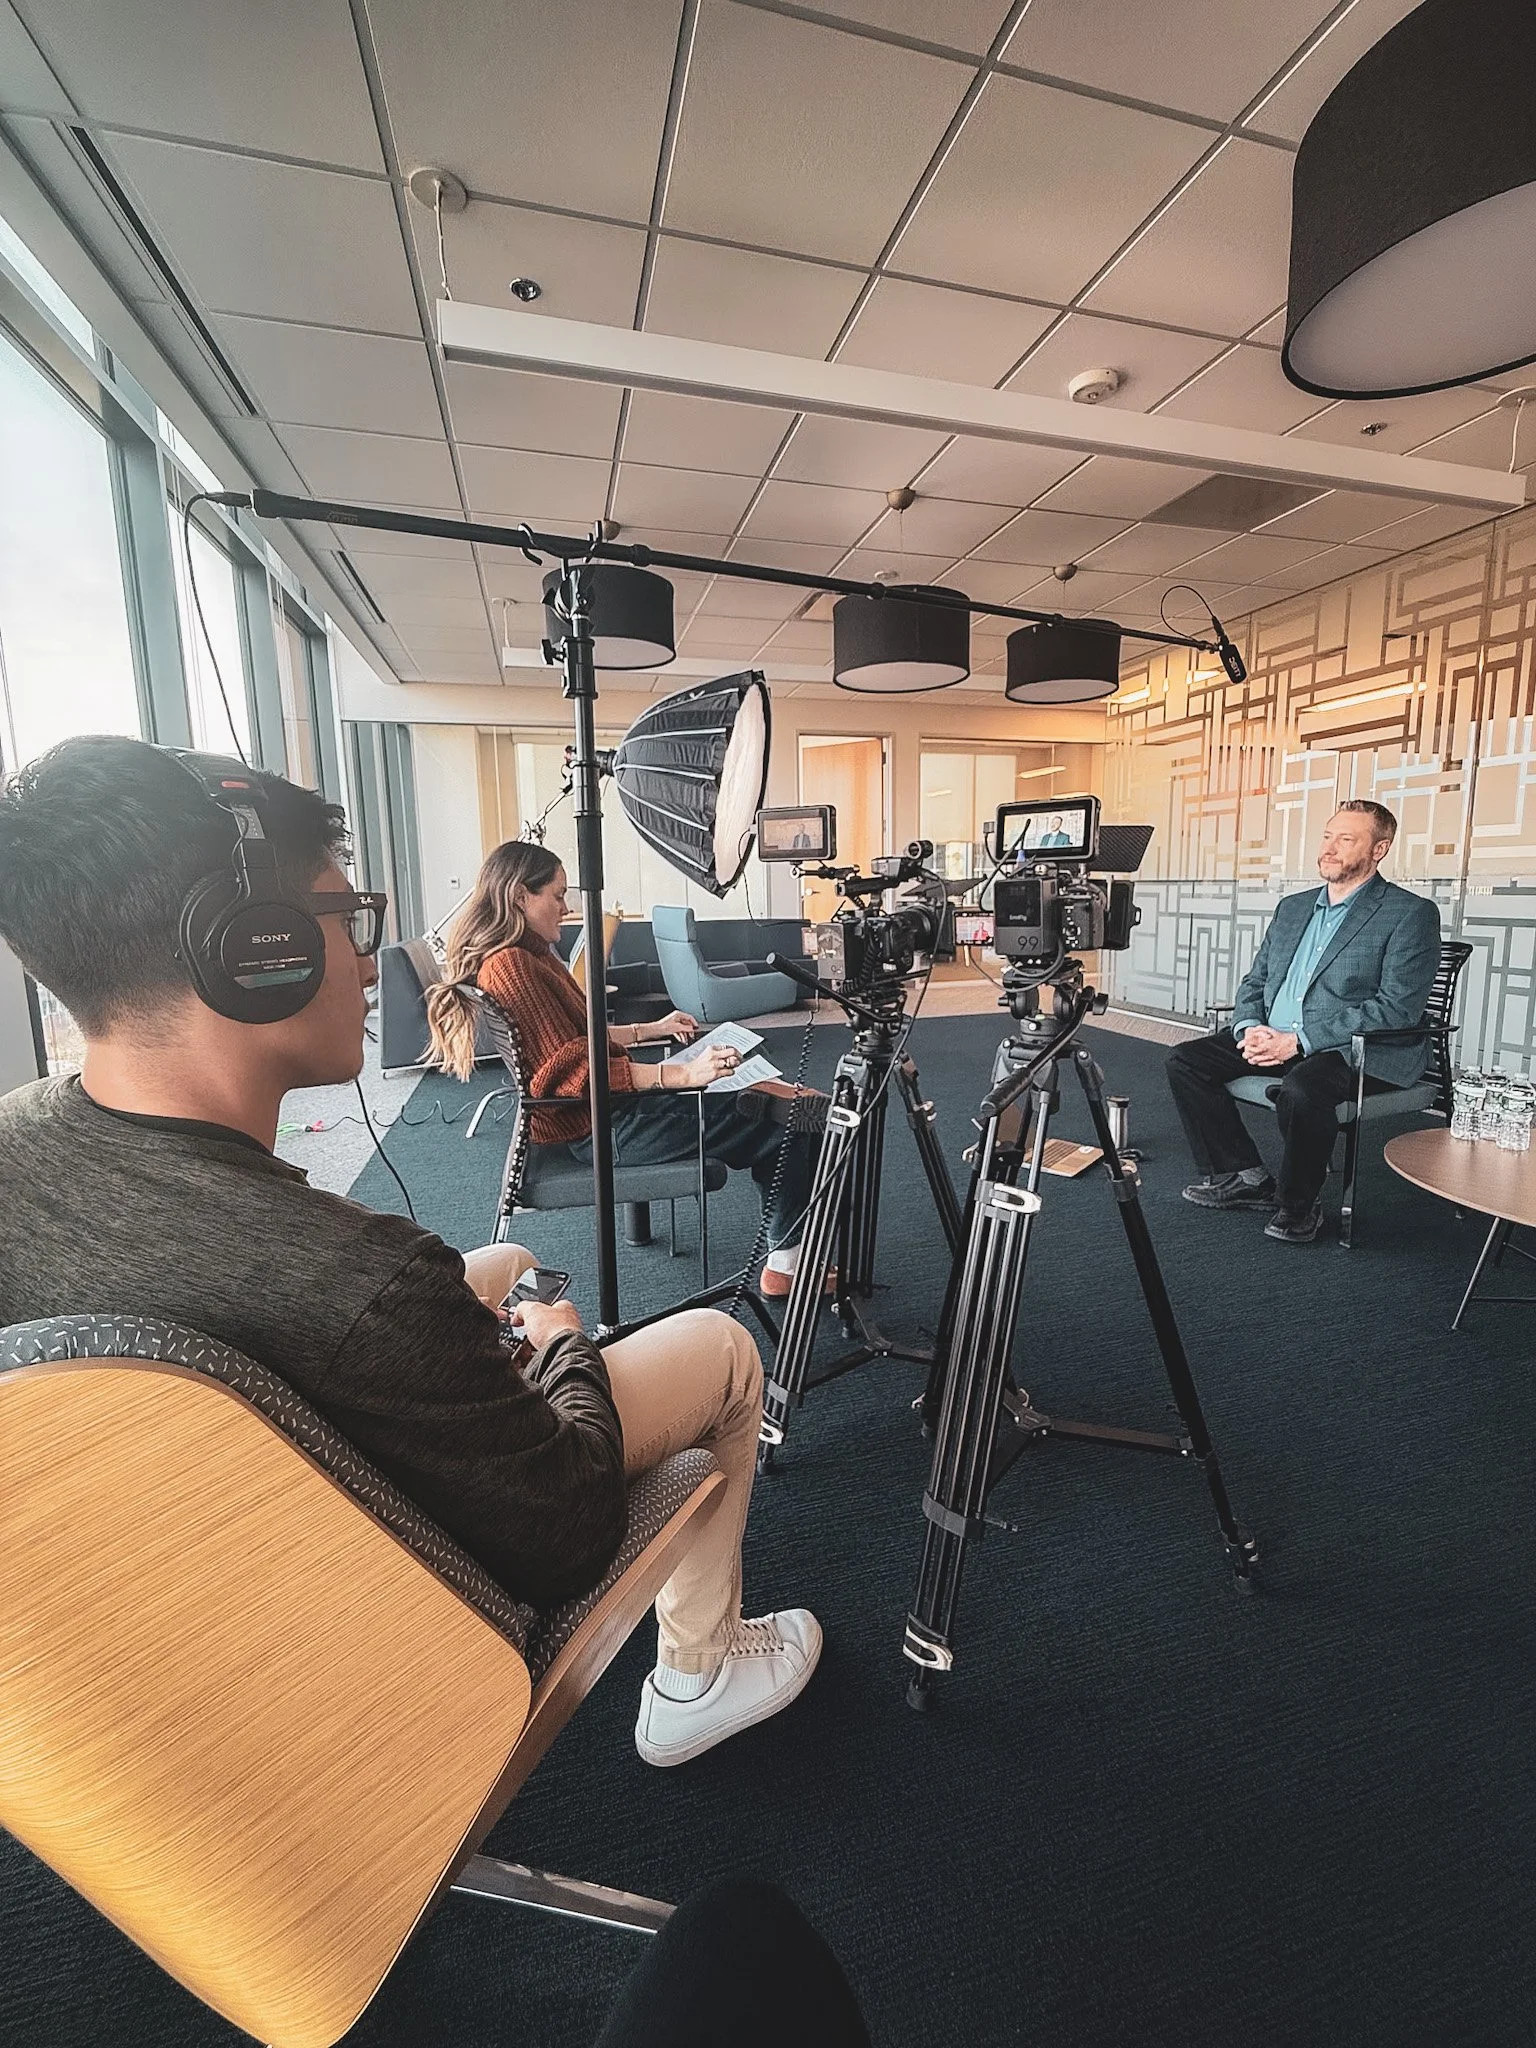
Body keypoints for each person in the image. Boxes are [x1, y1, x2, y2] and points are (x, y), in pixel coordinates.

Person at [0, 737, 821, 1767]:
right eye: (347, 918)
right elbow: (567, 1526)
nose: (366, 958)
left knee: (505, 1262)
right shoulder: (363, 1280)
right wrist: (563, 1347)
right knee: (723, 1349)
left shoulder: (14, 1143)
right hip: (383, 1580)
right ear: (252, 948)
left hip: (167, 1602)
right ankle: (700, 1673)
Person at [425, 842, 825, 1299]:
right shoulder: (512, 964)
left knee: (777, 1098)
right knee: (788, 1119)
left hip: (610, 1116)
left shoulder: (529, 955)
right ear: (520, 896)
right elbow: (569, 1067)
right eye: (557, 895)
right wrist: (681, 1076)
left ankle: (793, 1251)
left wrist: (651, 1029)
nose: (566, 907)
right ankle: (788, 1265)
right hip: (606, 1129)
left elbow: (581, 1035)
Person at [1165, 799, 1441, 1245]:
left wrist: (1299, 1041)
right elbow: (1256, 980)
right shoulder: (1293, 908)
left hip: (1354, 1048)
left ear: (1379, 849)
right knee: (1185, 1060)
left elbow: (1397, 1008)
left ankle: (1298, 1205)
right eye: (1327, 836)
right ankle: (1246, 1177)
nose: (1329, 848)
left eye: (1346, 839)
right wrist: (1249, 1028)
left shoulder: (1409, 914)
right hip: (1275, 1037)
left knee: (1303, 1088)